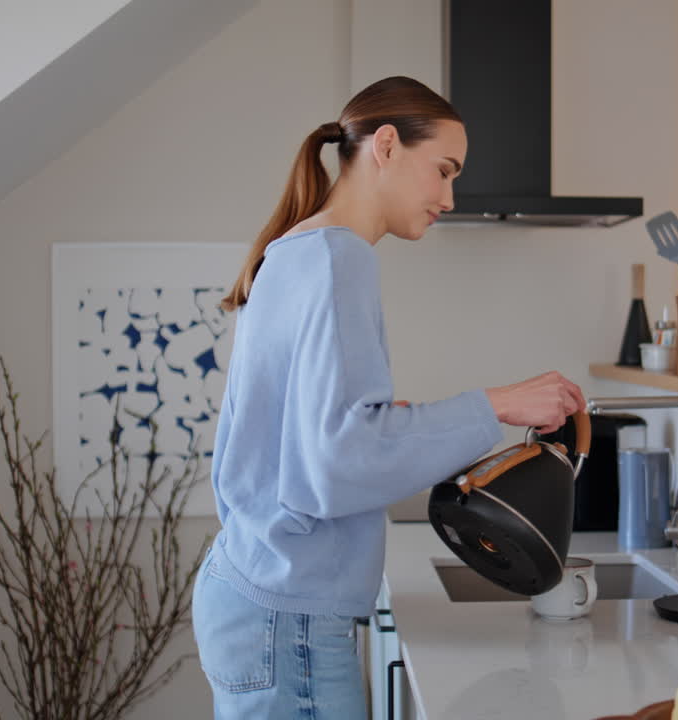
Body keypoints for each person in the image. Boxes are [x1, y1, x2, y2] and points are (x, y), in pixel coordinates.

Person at [191, 76, 586, 719]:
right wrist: (497, 405)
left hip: (259, 596)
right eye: (443, 170)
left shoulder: (301, 250)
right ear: (385, 146)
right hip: (286, 619)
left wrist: (395, 424)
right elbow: (338, 462)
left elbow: (310, 435)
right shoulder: (337, 259)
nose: (449, 197)